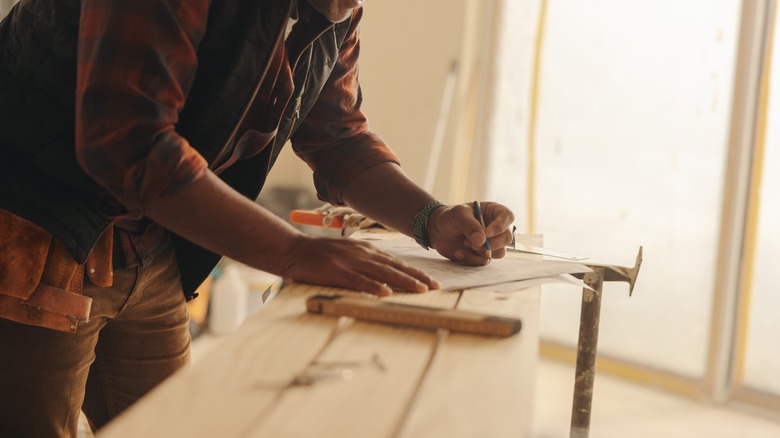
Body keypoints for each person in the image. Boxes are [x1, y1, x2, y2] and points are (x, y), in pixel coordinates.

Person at [0, 0, 515, 436]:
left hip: (148, 238)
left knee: (174, 424)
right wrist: (292, 251)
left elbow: (337, 136)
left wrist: (432, 217)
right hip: (31, 231)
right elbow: (130, 144)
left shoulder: (334, 13)